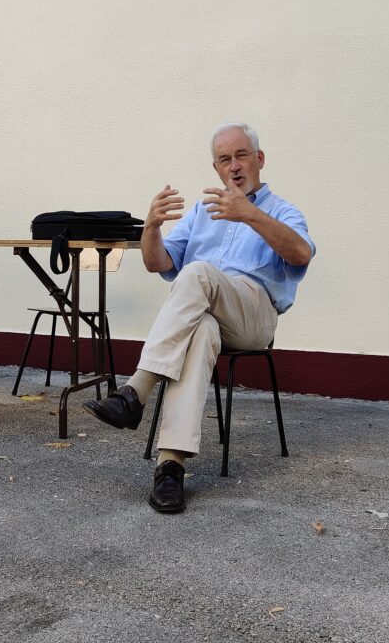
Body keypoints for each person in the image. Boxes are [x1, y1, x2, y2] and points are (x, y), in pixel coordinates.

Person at [84, 122, 315, 513]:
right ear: (216, 168)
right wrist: (151, 227)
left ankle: (137, 390)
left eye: (241, 156)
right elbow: (158, 262)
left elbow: (301, 254)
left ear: (259, 159)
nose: (234, 166)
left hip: (254, 316)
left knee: (197, 273)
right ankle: (170, 467)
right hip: (207, 314)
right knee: (201, 329)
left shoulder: (282, 211)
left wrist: (250, 215)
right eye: (224, 159)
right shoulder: (202, 212)